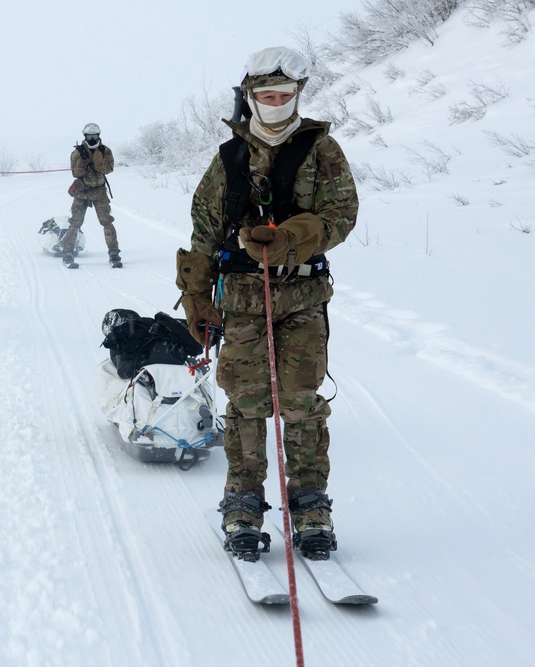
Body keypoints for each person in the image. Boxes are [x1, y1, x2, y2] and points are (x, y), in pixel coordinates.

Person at [176, 46, 358, 561]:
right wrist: (196, 299)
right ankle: (242, 504)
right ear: (250, 99)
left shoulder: (323, 151)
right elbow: (203, 232)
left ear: (298, 95)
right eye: (265, 96)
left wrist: (293, 237)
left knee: (301, 402)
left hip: (302, 298)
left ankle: (310, 507)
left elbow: (341, 214)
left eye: (283, 95)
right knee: (247, 403)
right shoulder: (228, 157)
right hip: (241, 301)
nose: (274, 104)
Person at [60, 123, 122, 269]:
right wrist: (83, 160)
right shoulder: (77, 153)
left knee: (107, 222)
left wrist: (97, 159)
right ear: (85, 136)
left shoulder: (105, 151)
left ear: (99, 135)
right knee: (75, 222)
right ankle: (68, 251)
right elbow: (76, 173)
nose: (92, 138)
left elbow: (108, 169)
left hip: (99, 192)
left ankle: (114, 253)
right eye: (89, 136)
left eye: (95, 136)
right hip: (82, 193)